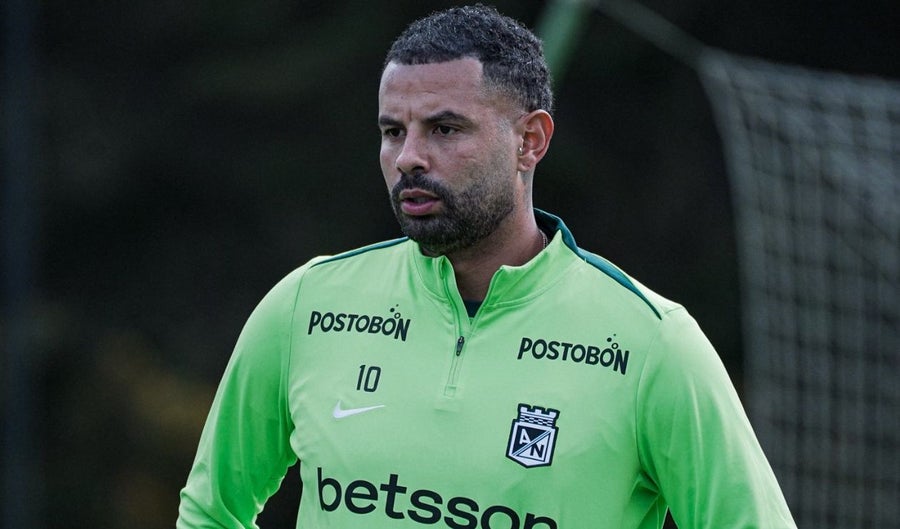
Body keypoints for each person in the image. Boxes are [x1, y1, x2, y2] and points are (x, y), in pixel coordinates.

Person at [177, 5, 796, 528]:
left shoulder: (652, 344)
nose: (409, 157)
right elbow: (210, 512)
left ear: (531, 141)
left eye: (445, 129)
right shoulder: (308, 306)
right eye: (393, 132)